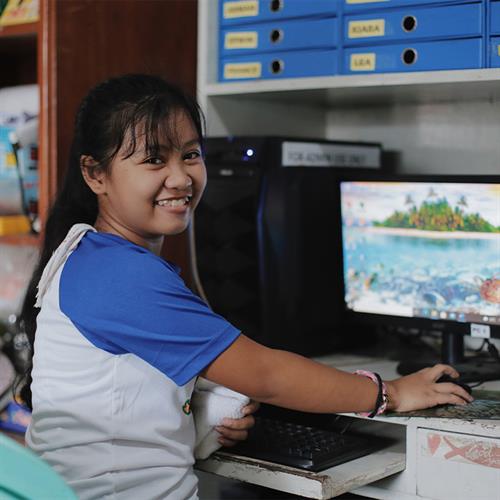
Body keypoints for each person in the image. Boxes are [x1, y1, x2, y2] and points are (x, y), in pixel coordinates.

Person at [20, 74, 473, 500]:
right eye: (154, 159)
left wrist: (200, 413)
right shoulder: (121, 274)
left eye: (191, 155)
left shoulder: (88, 253)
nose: (180, 178)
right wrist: (389, 394)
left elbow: (117, 394)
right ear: (95, 174)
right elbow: (267, 376)